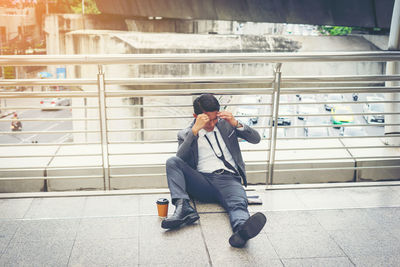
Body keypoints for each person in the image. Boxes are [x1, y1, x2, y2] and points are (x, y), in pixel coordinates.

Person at [162, 93, 266, 248]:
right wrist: (194, 132)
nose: (211, 124)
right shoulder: (186, 133)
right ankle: (183, 208)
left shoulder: (226, 124)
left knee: (238, 205)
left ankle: (241, 232)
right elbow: (180, 159)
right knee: (172, 161)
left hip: (229, 179)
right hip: (202, 182)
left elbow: (256, 139)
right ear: (195, 116)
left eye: (214, 119)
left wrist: (236, 123)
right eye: (206, 120)